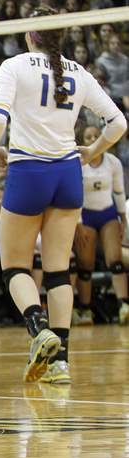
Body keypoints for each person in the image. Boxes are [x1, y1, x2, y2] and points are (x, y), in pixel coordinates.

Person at [0, 8, 126, 385]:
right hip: (67, 174)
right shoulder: (78, 71)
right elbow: (119, 123)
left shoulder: (15, 66)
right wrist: (94, 150)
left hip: (29, 170)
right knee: (58, 270)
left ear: (28, 34)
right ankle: (60, 362)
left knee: (15, 267)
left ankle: (38, 326)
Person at [73, 125, 128, 326]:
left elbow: (119, 192)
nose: (93, 139)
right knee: (85, 265)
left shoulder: (113, 162)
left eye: (96, 136)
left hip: (108, 213)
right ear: (83, 140)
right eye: (88, 137)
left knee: (115, 261)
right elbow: (74, 195)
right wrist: (78, 224)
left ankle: (124, 306)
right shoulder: (78, 163)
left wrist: (123, 218)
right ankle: (85, 309)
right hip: (85, 216)